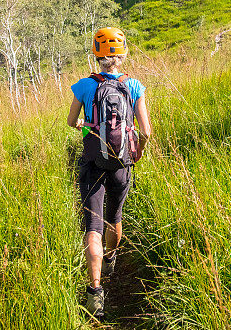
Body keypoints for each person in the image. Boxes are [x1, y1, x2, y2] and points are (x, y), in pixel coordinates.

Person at [67, 27, 152, 318]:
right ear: (123, 52)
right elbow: (146, 131)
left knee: (94, 227)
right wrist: (138, 149)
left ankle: (95, 293)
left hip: (93, 162)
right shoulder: (134, 86)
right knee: (114, 217)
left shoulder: (85, 85)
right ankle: (112, 258)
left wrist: (84, 126)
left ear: (96, 53)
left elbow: (70, 121)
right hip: (122, 164)